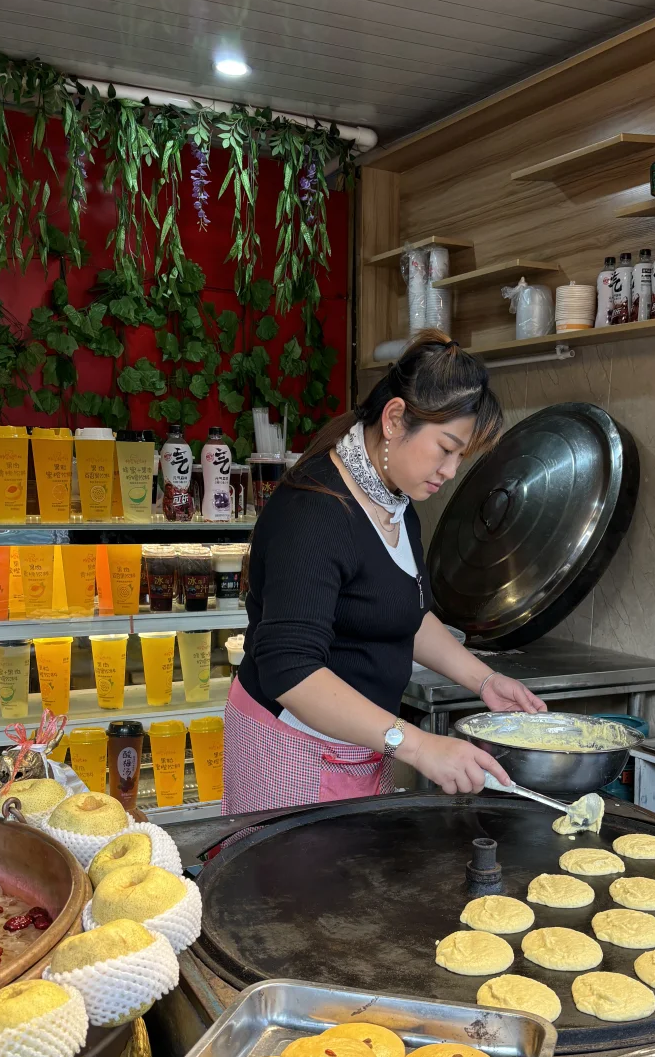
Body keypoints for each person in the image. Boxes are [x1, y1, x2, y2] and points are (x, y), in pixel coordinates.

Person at [224, 330, 546, 813]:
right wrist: (418, 746)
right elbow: (291, 671)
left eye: (462, 456)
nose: (451, 470)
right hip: (291, 750)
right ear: (395, 419)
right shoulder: (314, 512)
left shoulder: (396, 501)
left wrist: (484, 681)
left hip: (361, 744)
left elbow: (405, 613)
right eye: (446, 448)